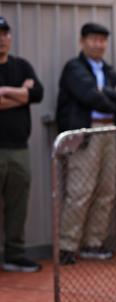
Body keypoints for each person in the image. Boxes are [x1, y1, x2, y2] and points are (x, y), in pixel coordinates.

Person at [56, 22, 116, 265]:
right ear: (83, 41)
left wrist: (105, 93)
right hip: (86, 133)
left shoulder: (108, 70)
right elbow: (89, 96)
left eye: (102, 40)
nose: (99, 44)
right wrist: (112, 97)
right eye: (93, 39)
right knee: (80, 191)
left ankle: (94, 242)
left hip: (110, 131)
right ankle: (67, 246)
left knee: (106, 191)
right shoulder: (74, 67)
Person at [0, 16, 44, 272]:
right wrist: (20, 94)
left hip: (19, 148)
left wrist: (5, 92)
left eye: (6, 33)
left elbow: (38, 94)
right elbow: (28, 95)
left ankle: (14, 254)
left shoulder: (22, 65)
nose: (2, 39)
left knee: (18, 203)